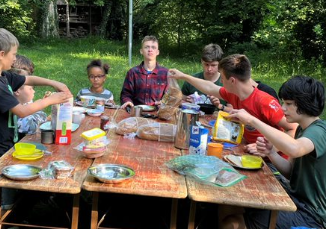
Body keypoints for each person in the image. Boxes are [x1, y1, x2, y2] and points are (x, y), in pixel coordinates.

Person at [0, 28, 72, 229]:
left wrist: (53, 82)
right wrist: (50, 100)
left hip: (5, 148)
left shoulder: (3, 77)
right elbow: (21, 111)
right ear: (1, 54)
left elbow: (28, 79)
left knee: (17, 201)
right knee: (3, 208)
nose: (14, 58)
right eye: (12, 54)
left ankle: (17, 218)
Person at [223, 75, 326, 229]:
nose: (283, 108)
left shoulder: (319, 131)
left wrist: (252, 120)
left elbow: (295, 149)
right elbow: (291, 173)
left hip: (311, 215)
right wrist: (271, 153)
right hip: (293, 199)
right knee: (232, 205)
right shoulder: (302, 131)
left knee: (233, 223)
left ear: (305, 104)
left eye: (288, 104)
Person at [169, 54, 298, 152]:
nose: (221, 82)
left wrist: (270, 149)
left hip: (272, 165)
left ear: (232, 81)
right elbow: (209, 87)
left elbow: (294, 129)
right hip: (246, 150)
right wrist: (183, 76)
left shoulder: (264, 101)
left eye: (222, 78)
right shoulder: (234, 94)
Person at [120, 35, 168, 109]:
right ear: (141, 51)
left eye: (153, 47)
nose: (150, 50)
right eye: (146, 47)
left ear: (157, 52)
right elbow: (125, 94)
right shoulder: (133, 73)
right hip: (136, 113)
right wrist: (127, 102)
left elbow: (171, 96)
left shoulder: (165, 74)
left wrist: (164, 103)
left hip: (159, 113)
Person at [9, 56, 48, 140]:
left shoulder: (24, 102)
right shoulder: (14, 107)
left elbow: (42, 117)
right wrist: (40, 106)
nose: (33, 91)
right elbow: (31, 126)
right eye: (31, 88)